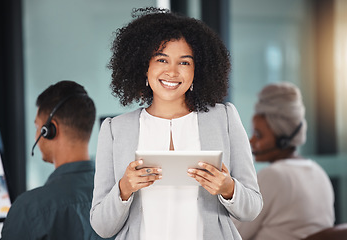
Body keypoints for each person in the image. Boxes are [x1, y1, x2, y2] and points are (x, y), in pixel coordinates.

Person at [90, 8, 263, 240]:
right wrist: (124, 188)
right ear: (145, 66)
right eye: (162, 59)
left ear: (196, 70)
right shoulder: (115, 130)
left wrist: (228, 188)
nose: (172, 72)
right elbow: (101, 226)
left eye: (184, 62)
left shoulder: (225, 118)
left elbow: (252, 208)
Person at [1, 81, 109, 240]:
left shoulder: (31, 208)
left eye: (38, 127)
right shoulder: (117, 195)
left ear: (51, 130)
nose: (36, 133)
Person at [233, 82, 335, 240]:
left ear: (283, 138)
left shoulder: (273, 176)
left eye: (258, 135)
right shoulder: (317, 171)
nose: (251, 141)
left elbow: (230, 233)